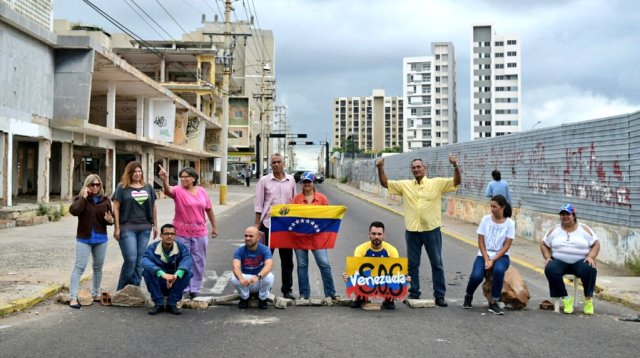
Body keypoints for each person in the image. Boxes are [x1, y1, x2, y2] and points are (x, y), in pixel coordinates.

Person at [376, 155, 460, 306]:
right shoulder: (405, 185)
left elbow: (456, 182)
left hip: (431, 231)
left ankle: (439, 295)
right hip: (412, 231)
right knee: (412, 265)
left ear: (425, 168)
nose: (416, 169)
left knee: (437, 263)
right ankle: (414, 292)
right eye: (413, 168)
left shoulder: (437, 183)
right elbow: (385, 183)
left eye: (419, 167)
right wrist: (380, 168)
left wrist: (455, 166)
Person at [158, 165, 217, 299]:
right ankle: (184, 287)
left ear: (193, 178)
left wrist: (214, 226)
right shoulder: (178, 190)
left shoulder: (202, 191)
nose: (183, 179)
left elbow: (209, 209)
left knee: (199, 261)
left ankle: (195, 288)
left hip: (200, 231)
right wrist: (165, 180)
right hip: (181, 232)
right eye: (181, 177)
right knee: (182, 261)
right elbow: (168, 190)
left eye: (186, 177)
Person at [540, 204, 599, 315]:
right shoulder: (555, 230)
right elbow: (544, 244)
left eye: (568, 214)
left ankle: (588, 300)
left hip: (580, 261)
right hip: (559, 261)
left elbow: (596, 243)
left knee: (590, 268)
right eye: (562, 214)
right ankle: (566, 298)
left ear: (573, 215)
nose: (565, 217)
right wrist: (547, 257)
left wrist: (591, 256)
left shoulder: (584, 228)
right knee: (550, 268)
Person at [291, 172, 339, 301]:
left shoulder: (322, 199)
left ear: (313, 183)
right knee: (302, 265)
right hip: (300, 237)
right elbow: (291, 217)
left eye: (309, 182)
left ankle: (331, 293)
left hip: (317, 237)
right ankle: (304, 294)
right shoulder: (296, 199)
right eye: (304, 182)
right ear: (301, 183)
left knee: (324, 263)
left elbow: (328, 216)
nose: (307, 184)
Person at [463, 195, 514, 315]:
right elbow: (480, 240)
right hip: (483, 254)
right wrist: (486, 258)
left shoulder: (510, 223)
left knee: (499, 270)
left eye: (494, 206)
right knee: (476, 276)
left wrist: (493, 260)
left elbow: (507, 245)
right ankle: (468, 295)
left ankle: (494, 302)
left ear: (502, 207)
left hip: (502, 256)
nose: (492, 209)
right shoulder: (486, 219)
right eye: (491, 206)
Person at [254, 153, 297, 299]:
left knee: (287, 260)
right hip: (268, 224)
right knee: (265, 259)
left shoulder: (291, 180)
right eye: (274, 162)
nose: (277, 164)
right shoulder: (264, 181)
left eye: (279, 162)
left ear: (283, 164)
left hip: (286, 226)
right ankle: (263, 289)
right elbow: (259, 204)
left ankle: (287, 290)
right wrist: (256, 225)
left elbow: (294, 201)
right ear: (271, 165)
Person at [68, 174, 114, 309]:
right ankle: (73, 297)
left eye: (97, 184)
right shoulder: (80, 199)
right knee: (79, 268)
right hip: (84, 239)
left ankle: (95, 294)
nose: (95, 187)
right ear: (87, 186)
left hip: (101, 239)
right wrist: (83, 197)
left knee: (98, 268)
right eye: (92, 185)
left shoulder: (105, 200)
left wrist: (110, 220)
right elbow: (74, 211)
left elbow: (110, 220)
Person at [112, 161, 158, 291]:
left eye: (139, 171)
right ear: (129, 173)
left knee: (139, 262)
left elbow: (153, 207)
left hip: (145, 228)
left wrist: (155, 225)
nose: (137, 174)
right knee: (131, 260)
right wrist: (117, 227)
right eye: (134, 172)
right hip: (127, 228)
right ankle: (121, 291)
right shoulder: (122, 188)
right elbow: (115, 208)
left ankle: (134, 290)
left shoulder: (148, 187)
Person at [344, 221, 406, 310]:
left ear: (384, 235)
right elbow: (356, 269)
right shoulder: (360, 249)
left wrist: (404, 277)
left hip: (384, 277)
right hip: (367, 277)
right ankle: (361, 297)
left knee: (397, 275)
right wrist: (349, 276)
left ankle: (389, 299)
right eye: (373, 234)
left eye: (379, 234)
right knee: (353, 274)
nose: (376, 236)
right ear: (369, 235)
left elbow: (396, 272)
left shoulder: (392, 250)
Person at [141, 224, 193, 315]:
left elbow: (187, 259)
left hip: (175, 282)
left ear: (175, 236)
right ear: (161, 235)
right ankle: (158, 303)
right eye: (166, 233)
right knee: (146, 272)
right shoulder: (152, 247)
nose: (169, 236)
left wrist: (176, 275)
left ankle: (172, 303)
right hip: (159, 282)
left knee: (188, 273)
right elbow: (144, 260)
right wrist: (161, 273)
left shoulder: (181, 247)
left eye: (172, 234)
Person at [231, 226, 274, 309]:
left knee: (269, 277)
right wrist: (241, 279)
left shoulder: (265, 250)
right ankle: (244, 297)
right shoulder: (239, 250)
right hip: (245, 282)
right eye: (246, 236)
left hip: (258, 279)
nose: (247, 238)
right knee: (234, 278)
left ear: (258, 238)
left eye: (251, 236)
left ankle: (263, 298)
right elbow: (235, 266)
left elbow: (269, 265)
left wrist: (257, 277)